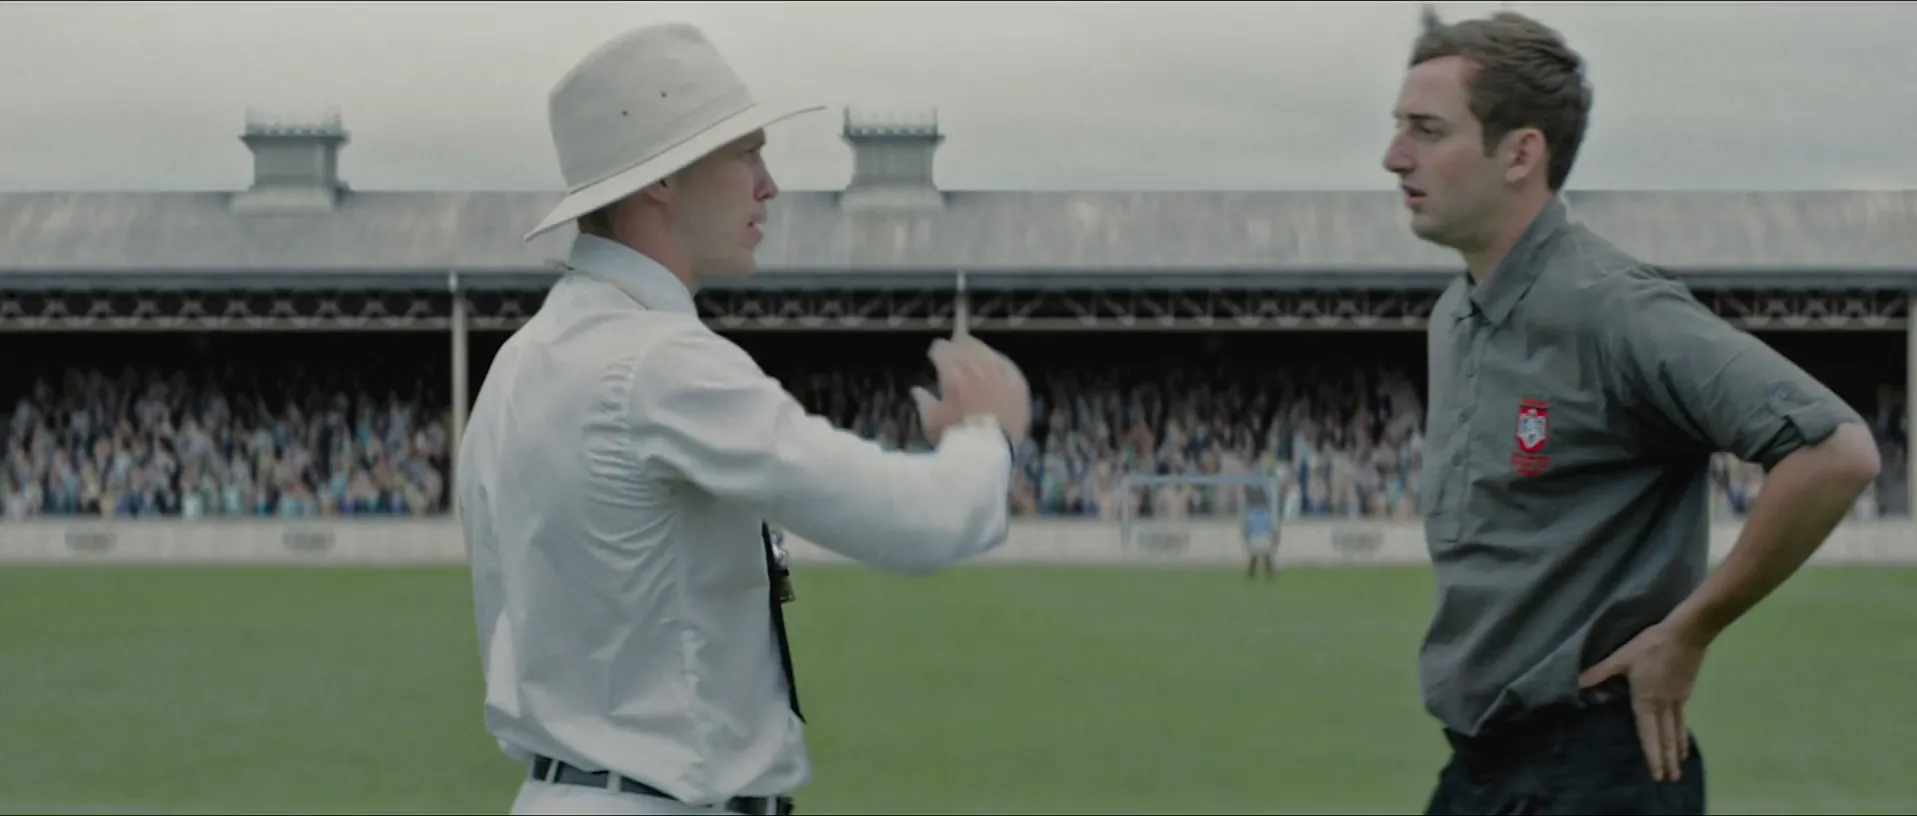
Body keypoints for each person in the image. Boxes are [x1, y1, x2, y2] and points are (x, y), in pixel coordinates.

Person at [457, 22, 1033, 816]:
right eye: (745, 153)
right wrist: (987, 435)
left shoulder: (518, 364)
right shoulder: (660, 359)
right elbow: (917, 522)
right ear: (662, 179)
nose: (768, 185)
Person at [1382, 7, 1881, 815]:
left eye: (1427, 130)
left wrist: (1689, 629)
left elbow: (1834, 451)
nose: (1394, 155)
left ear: (1520, 153)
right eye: (1398, 125)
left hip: (1595, 770)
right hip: (1479, 770)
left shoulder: (1612, 308)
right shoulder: (1455, 315)